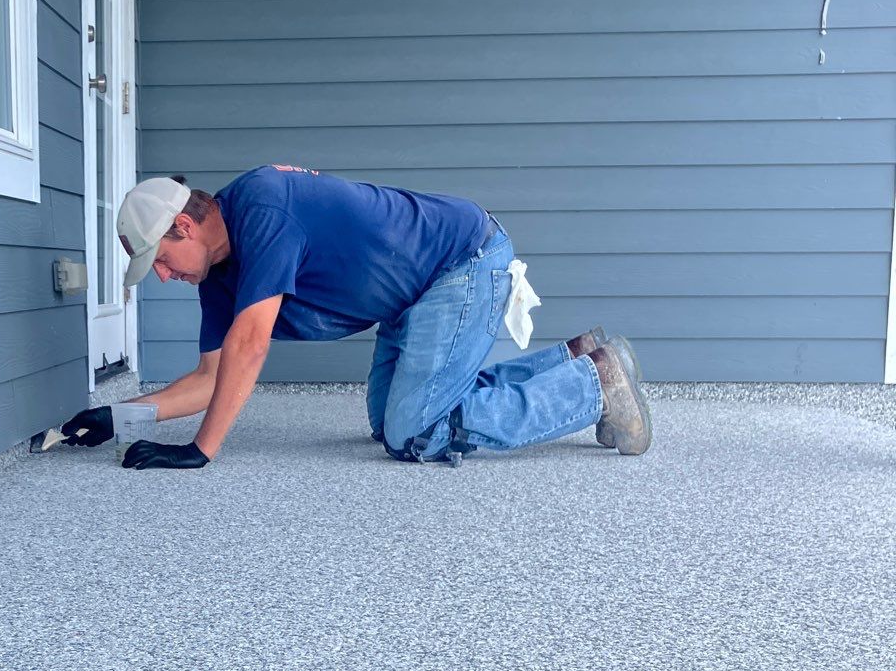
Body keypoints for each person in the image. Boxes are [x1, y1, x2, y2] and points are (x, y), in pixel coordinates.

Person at [60, 167, 651, 470]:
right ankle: (579, 359)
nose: (163, 276)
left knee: (414, 432)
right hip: (412, 293)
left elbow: (250, 347)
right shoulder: (217, 276)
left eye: (160, 260)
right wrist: (119, 416)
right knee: (390, 421)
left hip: (460, 261)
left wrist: (201, 450)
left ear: (183, 227)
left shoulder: (262, 207)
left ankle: (592, 390)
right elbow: (210, 377)